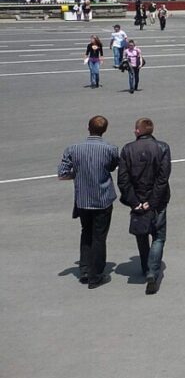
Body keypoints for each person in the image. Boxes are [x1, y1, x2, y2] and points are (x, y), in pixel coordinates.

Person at [58, 115, 120, 289]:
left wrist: (76, 175)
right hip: (103, 199)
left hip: (83, 200)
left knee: (86, 232)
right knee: (99, 237)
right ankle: (95, 274)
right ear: (104, 130)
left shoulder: (73, 148)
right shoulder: (110, 148)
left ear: (88, 128)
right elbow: (113, 166)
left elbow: (62, 173)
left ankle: (84, 269)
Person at [118, 117, 171, 295]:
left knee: (142, 234)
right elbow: (163, 178)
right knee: (158, 236)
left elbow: (123, 180)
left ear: (138, 131)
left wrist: (135, 201)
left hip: (137, 199)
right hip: (158, 201)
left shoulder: (127, 149)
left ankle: (144, 266)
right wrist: (153, 201)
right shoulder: (163, 147)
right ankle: (152, 271)